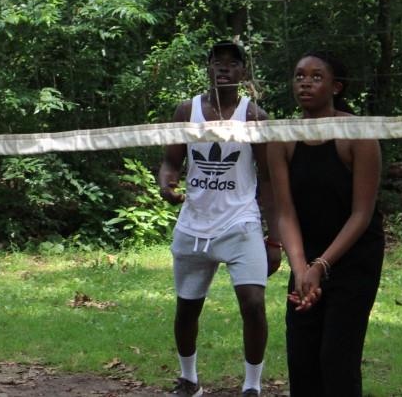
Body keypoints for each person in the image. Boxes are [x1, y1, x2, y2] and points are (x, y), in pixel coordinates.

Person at [157, 41, 280, 397]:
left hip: (241, 223)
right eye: (217, 62)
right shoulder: (187, 110)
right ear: (208, 68)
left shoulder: (254, 117)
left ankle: (252, 386)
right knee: (187, 308)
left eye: (232, 63)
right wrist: (167, 183)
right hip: (194, 224)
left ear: (243, 72)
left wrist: (274, 238)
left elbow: (268, 179)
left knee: (253, 304)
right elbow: (171, 161)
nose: (224, 68)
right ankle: (189, 380)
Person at [267, 51, 384, 396]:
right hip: (305, 253)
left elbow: (361, 214)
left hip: (354, 255)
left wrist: (320, 266)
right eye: (299, 75)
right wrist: (301, 269)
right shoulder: (282, 138)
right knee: (302, 356)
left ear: (336, 87)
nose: (305, 83)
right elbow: (285, 212)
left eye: (316, 77)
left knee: (337, 359)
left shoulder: (358, 134)